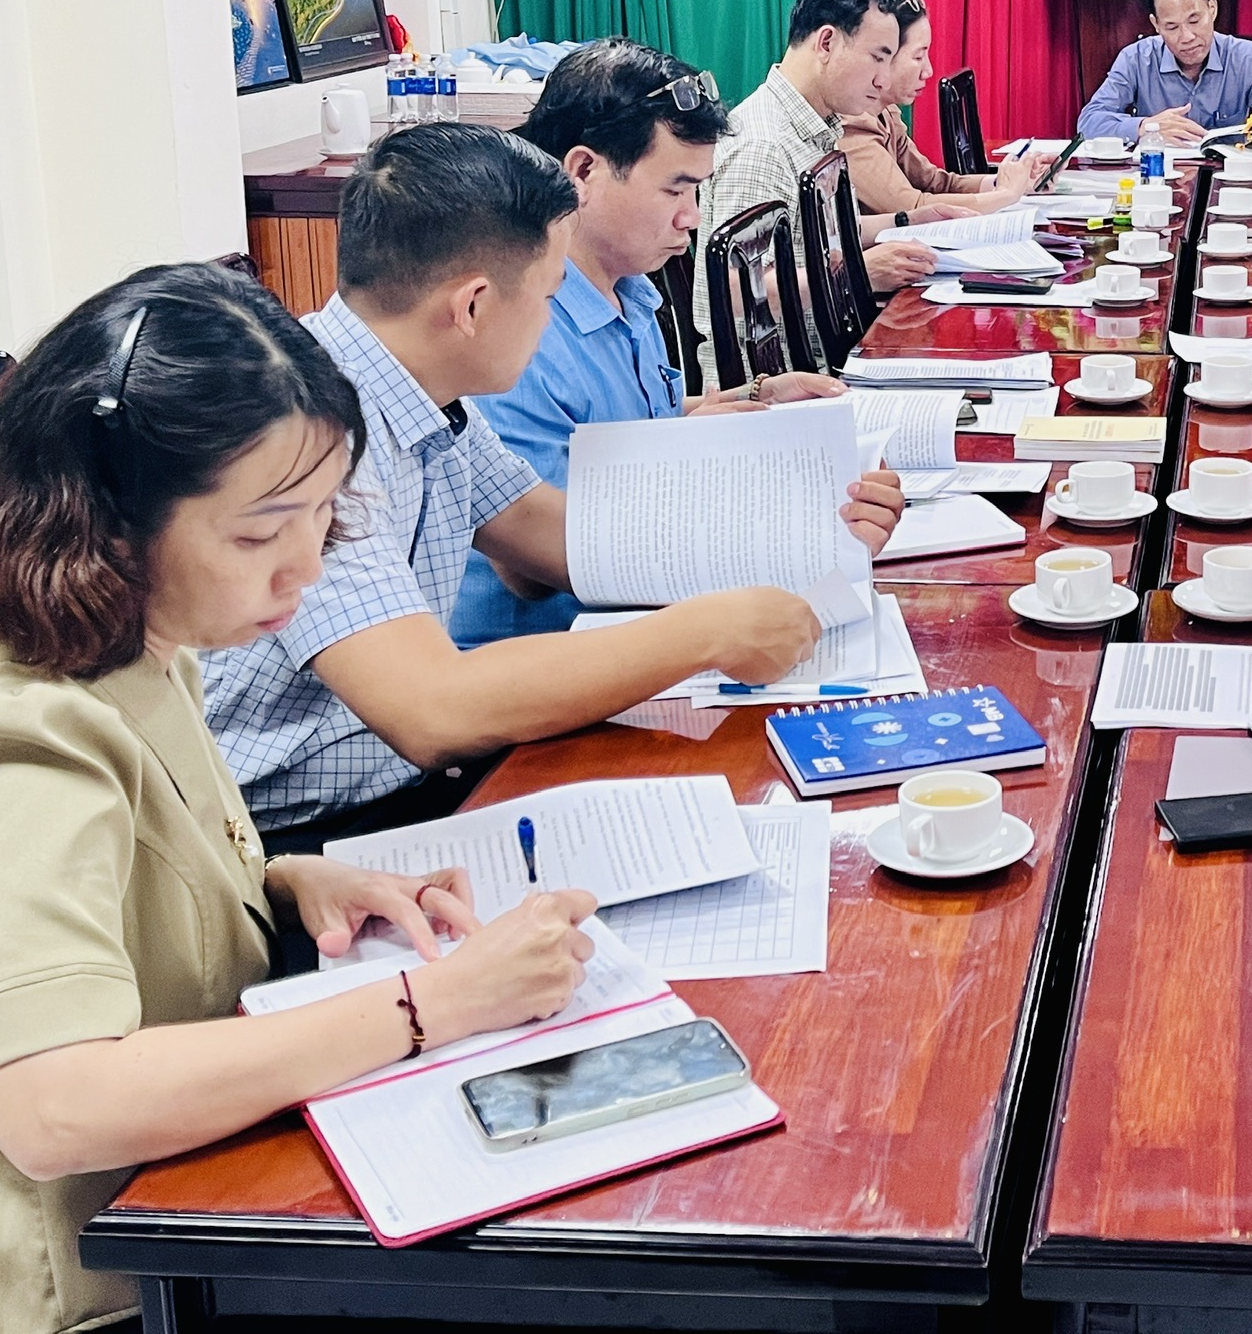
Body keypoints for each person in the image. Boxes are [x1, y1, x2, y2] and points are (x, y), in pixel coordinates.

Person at [0, 263, 598, 1334]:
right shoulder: (25, 739)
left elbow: (139, 862)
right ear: (107, 523)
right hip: (69, 1274)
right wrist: (430, 1005)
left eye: (321, 515)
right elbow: (52, 1105)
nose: (304, 568)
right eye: (259, 533)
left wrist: (289, 880)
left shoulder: (143, 639)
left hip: (169, 1204)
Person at [201, 123, 904, 845]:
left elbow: (561, 540)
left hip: (407, 786)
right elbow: (434, 711)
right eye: (548, 294)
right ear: (472, 307)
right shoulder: (308, 435)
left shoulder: (424, 389)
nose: (551, 322)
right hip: (301, 840)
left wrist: (813, 531)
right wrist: (709, 632)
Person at [453, 39, 849, 646]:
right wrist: (700, 463)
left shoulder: (628, 288)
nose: (692, 217)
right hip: (553, 653)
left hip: (633, 618)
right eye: (675, 190)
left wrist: (755, 399)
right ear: (583, 172)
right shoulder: (522, 330)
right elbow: (537, 564)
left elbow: (629, 425)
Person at [696, 0, 941, 384]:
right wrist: (861, 271)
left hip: (828, 358)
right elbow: (734, 290)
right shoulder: (764, 146)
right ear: (826, 42)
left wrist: (909, 220)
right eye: (878, 57)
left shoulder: (815, 127)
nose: (884, 79)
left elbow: (818, 235)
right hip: (774, 386)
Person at [840, 0, 1035, 218]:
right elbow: (910, 206)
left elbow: (934, 182)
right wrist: (1004, 195)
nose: (928, 71)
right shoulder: (853, 125)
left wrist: (1008, 180)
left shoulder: (887, 112)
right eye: (918, 57)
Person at [1075, 0, 1252, 145]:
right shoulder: (1136, 59)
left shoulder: (1249, 58)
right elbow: (1088, 123)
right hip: (1158, 175)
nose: (1187, 37)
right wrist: (1145, 127)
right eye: (1172, 27)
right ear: (1156, 25)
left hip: (1228, 175)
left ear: (1212, 9)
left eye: (1194, 20)